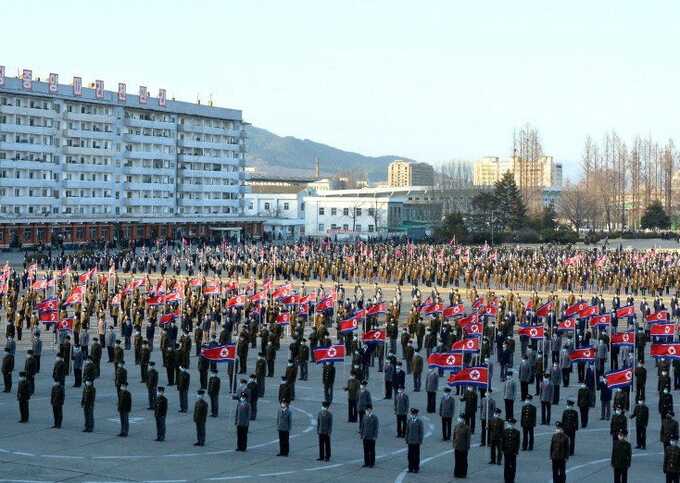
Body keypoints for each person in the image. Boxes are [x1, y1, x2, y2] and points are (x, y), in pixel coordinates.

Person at [405, 408, 424, 473]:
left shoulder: (419, 422)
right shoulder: (409, 421)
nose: (412, 415)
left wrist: (420, 440)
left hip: (416, 441)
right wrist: (406, 438)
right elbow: (407, 430)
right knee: (410, 455)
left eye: (413, 414)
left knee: (416, 455)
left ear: (416, 414)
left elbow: (421, 432)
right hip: (410, 441)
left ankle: (416, 468)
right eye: (411, 414)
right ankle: (410, 467)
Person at [502, 418, 521, 483]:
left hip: (513, 451)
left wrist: (516, 451)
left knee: (513, 466)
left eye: (512, 424)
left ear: (514, 424)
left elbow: (518, 442)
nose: (510, 425)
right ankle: (506, 479)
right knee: (506, 466)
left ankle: (512, 479)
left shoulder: (517, 432)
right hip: (506, 451)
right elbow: (503, 441)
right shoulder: (505, 431)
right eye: (509, 424)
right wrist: (502, 449)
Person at [453, 413, 471, 478]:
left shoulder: (467, 428)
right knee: (457, 461)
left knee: (463, 461)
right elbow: (454, 436)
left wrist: (467, 446)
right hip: (457, 447)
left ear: (464, 420)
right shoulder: (456, 426)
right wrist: (454, 444)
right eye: (459, 418)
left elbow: (468, 438)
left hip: (463, 447)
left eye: (461, 418)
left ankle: (463, 473)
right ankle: (456, 473)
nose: (459, 419)